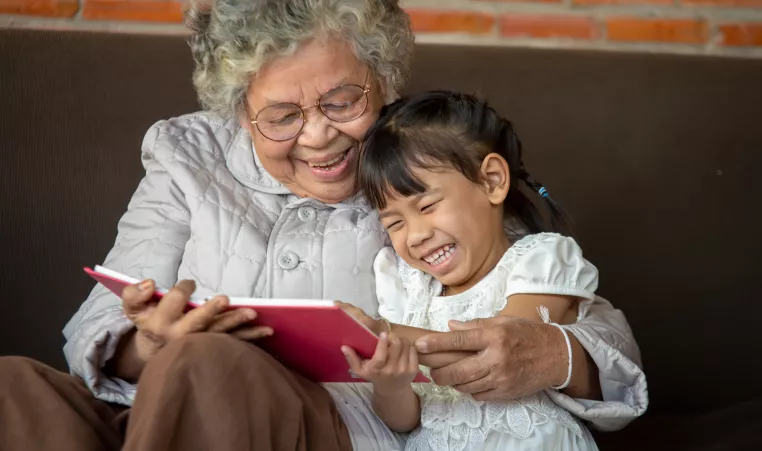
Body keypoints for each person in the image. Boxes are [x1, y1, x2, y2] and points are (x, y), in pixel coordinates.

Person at [0, 1, 647, 451]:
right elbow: (93, 329)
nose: (318, 136)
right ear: (238, 110)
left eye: (342, 101)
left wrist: (554, 352)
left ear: (383, 77)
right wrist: (149, 344)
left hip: (321, 429)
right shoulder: (184, 155)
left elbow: (570, 305)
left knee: (209, 363)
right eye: (280, 115)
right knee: (14, 385)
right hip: (154, 416)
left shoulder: (413, 160)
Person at [339, 90, 605, 451]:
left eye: (428, 205)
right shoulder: (406, 285)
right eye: (394, 223)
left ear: (492, 181)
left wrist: (384, 335)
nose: (416, 235)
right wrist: (392, 382)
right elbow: (405, 419)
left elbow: (499, 353)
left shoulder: (540, 261)